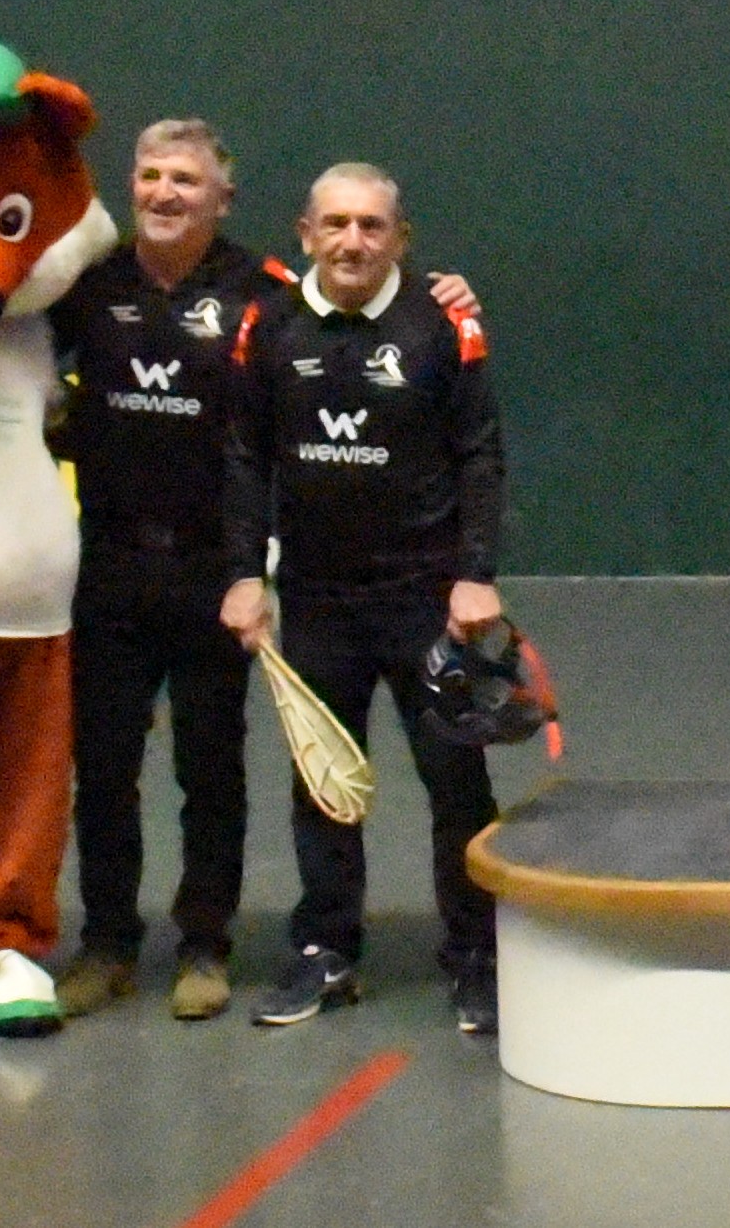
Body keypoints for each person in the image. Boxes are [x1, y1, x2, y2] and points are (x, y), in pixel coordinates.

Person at [46, 120, 472, 1022]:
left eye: (186, 181)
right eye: (151, 176)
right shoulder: (86, 287)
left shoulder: (262, 297)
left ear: (224, 200)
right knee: (104, 766)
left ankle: (206, 943)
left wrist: (249, 568)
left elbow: (255, 446)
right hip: (110, 564)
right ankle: (108, 943)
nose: (165, 193)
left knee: (213, 766)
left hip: (215, 572)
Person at [220, 163, 506, 1036]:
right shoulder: (267, 326)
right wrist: (243, 572)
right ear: (306, 233)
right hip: (316, 598)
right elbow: (244, 456)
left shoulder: (442, 323)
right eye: (336, 225)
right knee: (323, 785)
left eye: (371, 227)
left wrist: (475, 571)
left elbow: (480, 454)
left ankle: (477, 955)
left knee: (454, 779)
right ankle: (325, 950)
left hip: (424, 597)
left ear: (399, 239)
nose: (353, 242)